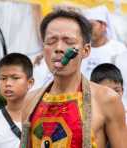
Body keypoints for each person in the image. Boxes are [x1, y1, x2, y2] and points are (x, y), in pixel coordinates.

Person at [20, 9, 127, 148]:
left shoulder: (107, 100)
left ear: (86, 50)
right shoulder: (30, 101)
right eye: (51, 41)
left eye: (68, 41)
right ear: (43, 48)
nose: (59, 48)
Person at [0, 53, 34, 148]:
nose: (8, 83)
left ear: (30, 82)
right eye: (3, 78)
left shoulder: (41, 116)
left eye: (15, 78)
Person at [81, 5, 127, 79]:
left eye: (91, 25)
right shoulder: (81, 49)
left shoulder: (118, 49)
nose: (88, 29)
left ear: (103, 26)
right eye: (86, 26)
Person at [90, 63, 124, 148]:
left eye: (116, 91)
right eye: (106, 92)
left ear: (122, 91)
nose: (112, 97)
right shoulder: (88, 120)